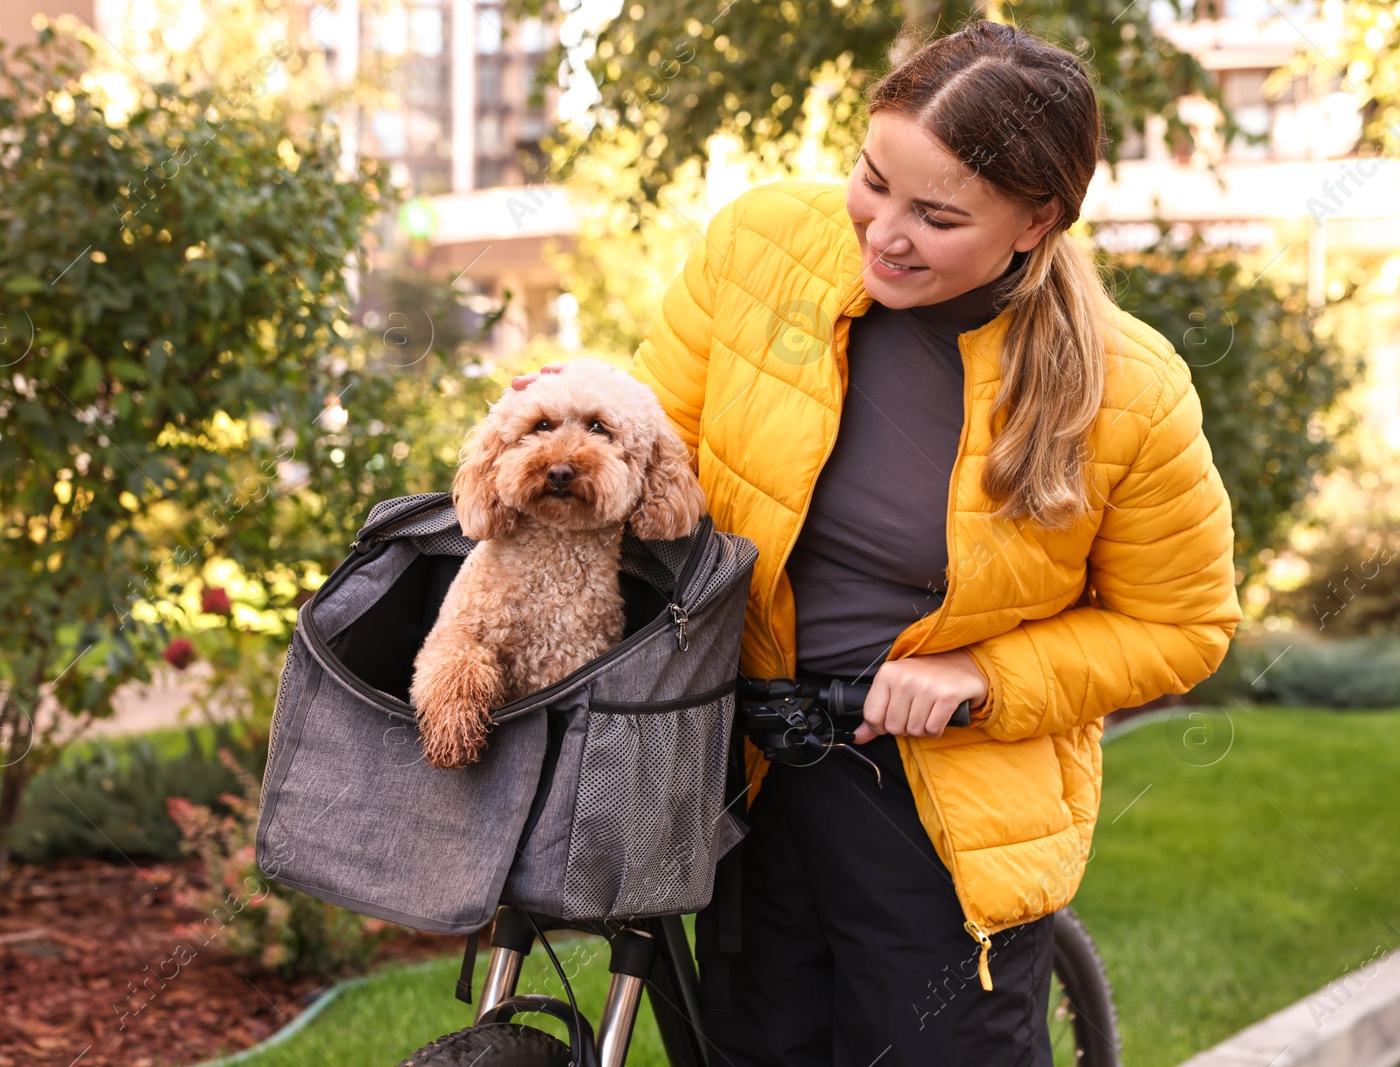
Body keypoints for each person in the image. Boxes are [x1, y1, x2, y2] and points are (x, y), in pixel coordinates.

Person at [506, 20, 1242, 1066]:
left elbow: (1182, 623)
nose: (884, 232)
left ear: (1036, 220)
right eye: (872, 180)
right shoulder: (759, 246)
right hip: (746, 763)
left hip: (938, 804)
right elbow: (658, 447)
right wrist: (565, 425)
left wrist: (980, 673)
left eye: (937, 216)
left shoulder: (1128, 388)